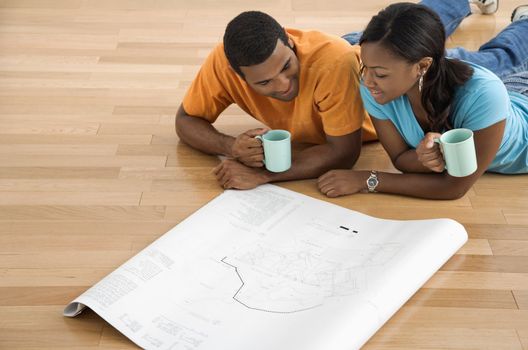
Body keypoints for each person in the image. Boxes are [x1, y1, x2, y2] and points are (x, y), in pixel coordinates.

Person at [317, 2, 528, 199]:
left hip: (515, 103)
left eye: (380, 74)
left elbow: (454, 187)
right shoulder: (375, 89)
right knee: (500, 57)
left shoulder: (484, 95)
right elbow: (400, 159)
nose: (367, 80)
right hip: (508, 97)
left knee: (502, 57)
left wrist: (368, 179)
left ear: (422, 66)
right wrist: (425, 157)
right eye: (366, 68)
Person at [176, 11, 376, 190]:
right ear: (236, 75)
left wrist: (263, 174)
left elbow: (344, 153)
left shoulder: (337, 63)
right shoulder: (222, 63)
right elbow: (185, 119)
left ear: (288, 40)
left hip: (356, 54)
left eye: (285, 66)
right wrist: (231, 146)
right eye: (265, 82)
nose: (283, 85)